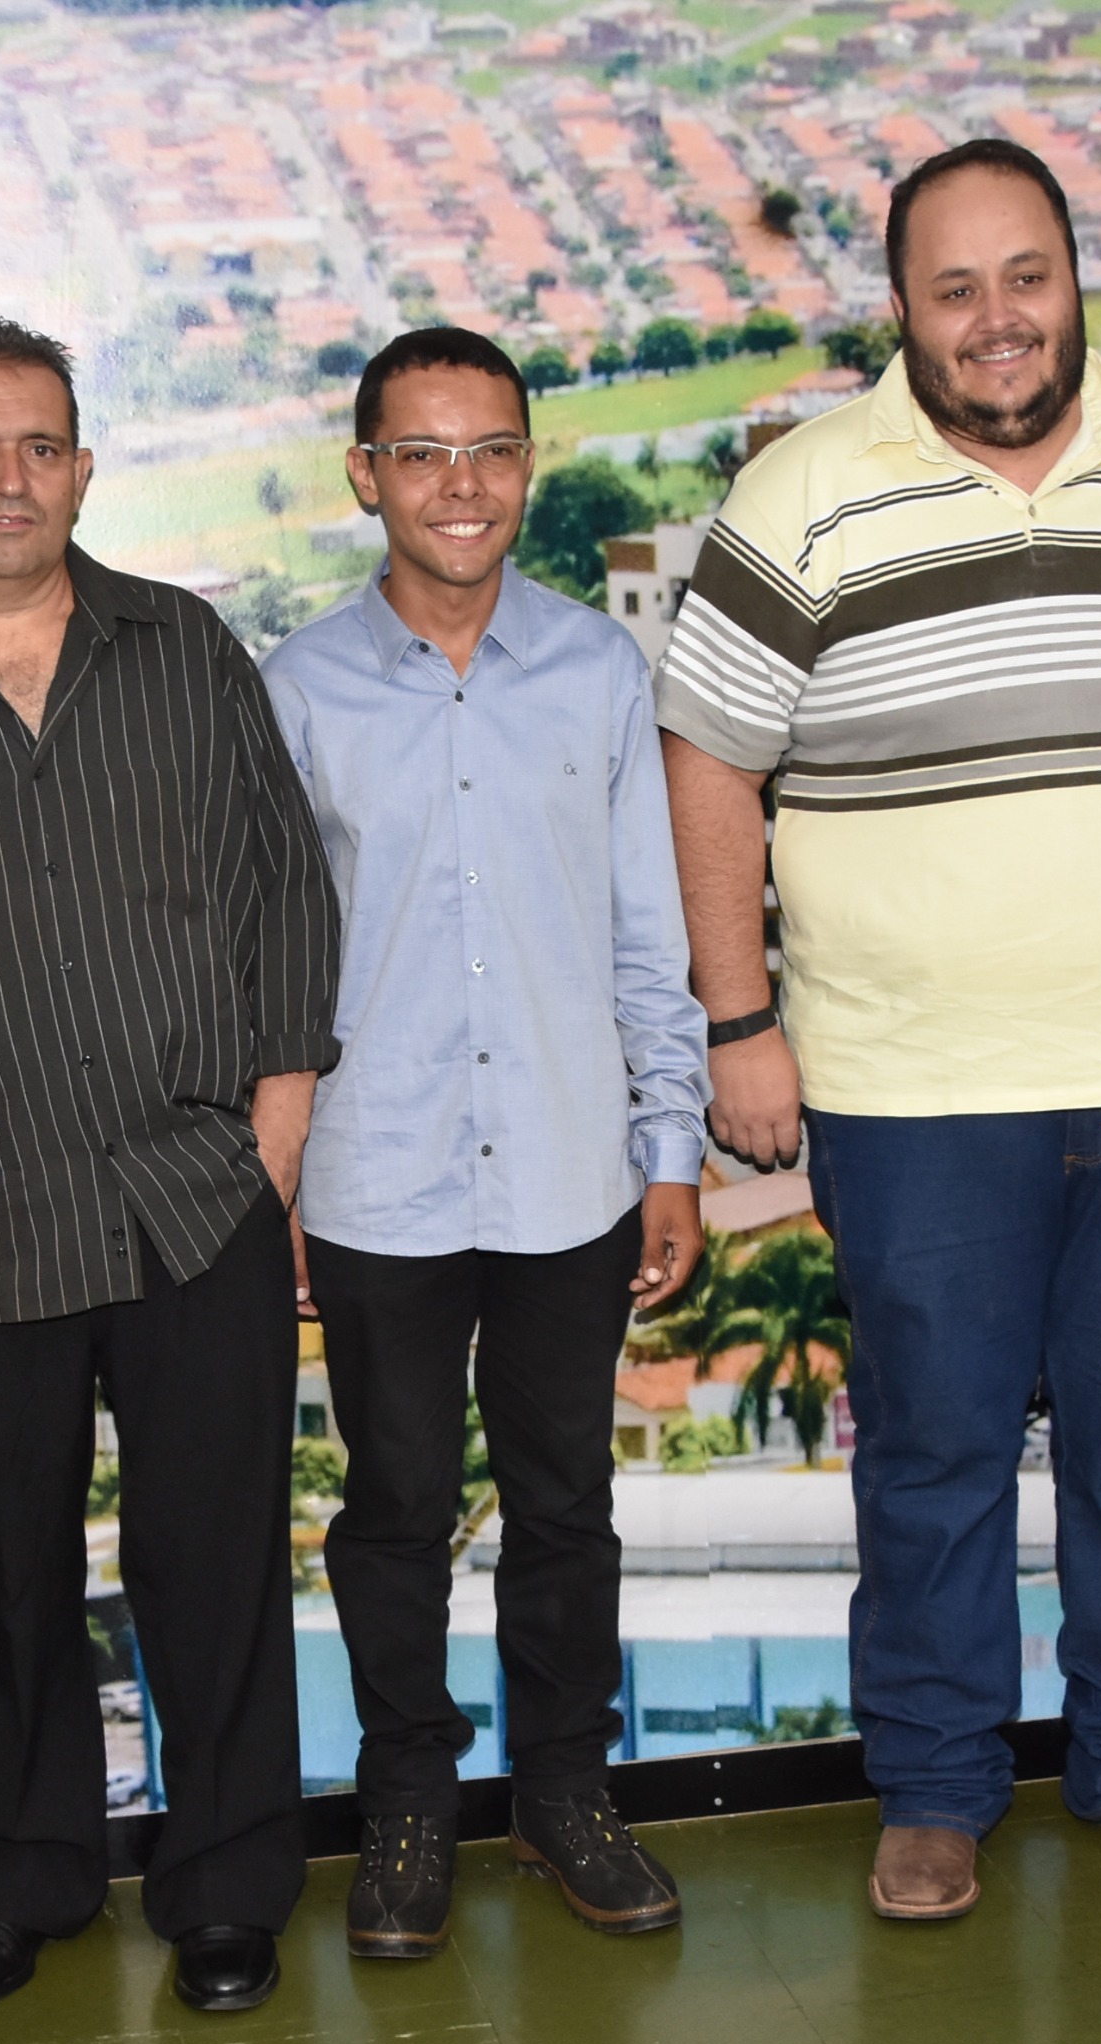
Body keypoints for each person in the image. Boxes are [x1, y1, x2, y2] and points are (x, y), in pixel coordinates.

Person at [658, 140, 1101, 1922]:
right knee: (934, 1450)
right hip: (911, 1086)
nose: (997, 320)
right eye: (955, 290)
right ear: (902, 309)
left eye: (1027, 278)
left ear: (1079, 281)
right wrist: (738, 1018)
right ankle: (935, 1786)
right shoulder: (800, 495)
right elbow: (707, 761)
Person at [0, 318, 341, 2017]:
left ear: (85, 470)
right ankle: (23, 1873)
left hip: (195, 1194)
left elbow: (285, 892)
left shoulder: (184, 649)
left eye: (39, 447)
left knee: (215, 1560)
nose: (8, 479)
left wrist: (275, 1135)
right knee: (10, 1571)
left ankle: (226, 1882)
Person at [262, 326, 710, 1960]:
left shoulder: (597, 670)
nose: (463, 486)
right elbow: (270, 965)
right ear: (366, 476)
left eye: (494, 450)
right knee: (393, 1517)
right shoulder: (297, 689)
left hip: (568, 1172)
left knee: (566, 1509)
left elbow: (647, 935)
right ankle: (406, 1808)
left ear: (527, 464)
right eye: (425, 454)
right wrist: (278, 1177)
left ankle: (567, 1796)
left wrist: (671, 1149)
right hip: (376, 1177)